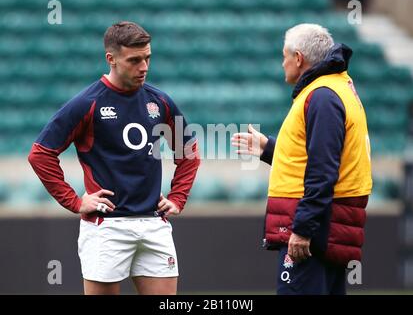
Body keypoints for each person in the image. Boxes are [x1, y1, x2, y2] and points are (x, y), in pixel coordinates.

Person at [28, 21, 200, 295]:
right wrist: (75, 201)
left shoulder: (160, 102)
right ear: (111, 59)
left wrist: (178, 197)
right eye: (134, 60)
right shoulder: (87, 102)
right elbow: (40, 154)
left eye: (147, 58)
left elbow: (189, 152)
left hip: (154, 224)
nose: (143, 67)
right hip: (107, 228)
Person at [232, 23, 372, 295]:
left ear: (298, 58)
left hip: (315, 232)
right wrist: (268, 148)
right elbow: (319, 159)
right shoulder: (337, 88)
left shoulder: (321, 97)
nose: (282, 62)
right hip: (331, 228)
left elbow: (322, 171)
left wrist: (303, 229)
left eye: (284, 55)